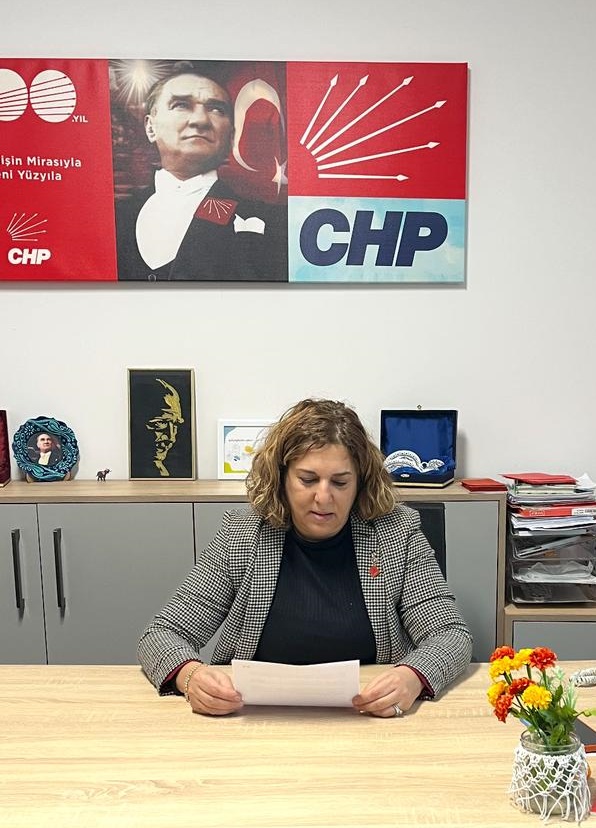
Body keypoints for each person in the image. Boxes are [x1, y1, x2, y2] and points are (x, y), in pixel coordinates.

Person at [138, 398, 473, 718]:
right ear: (282, 478)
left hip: (367, 716)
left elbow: (451, 634)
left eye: (340, 482)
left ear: (360, 483)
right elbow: (162, 633)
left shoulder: (396, 533)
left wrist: (412, 677)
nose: (323, 497)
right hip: (253, 717)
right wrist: (190, 676)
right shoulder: (241, 536)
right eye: (308, 479)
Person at [116, 62, 287, 282]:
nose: (200, 121)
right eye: (180, 105)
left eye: (216, 109)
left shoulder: (271, 222)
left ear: (231, 136)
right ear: (151, 127)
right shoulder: (116, 216)